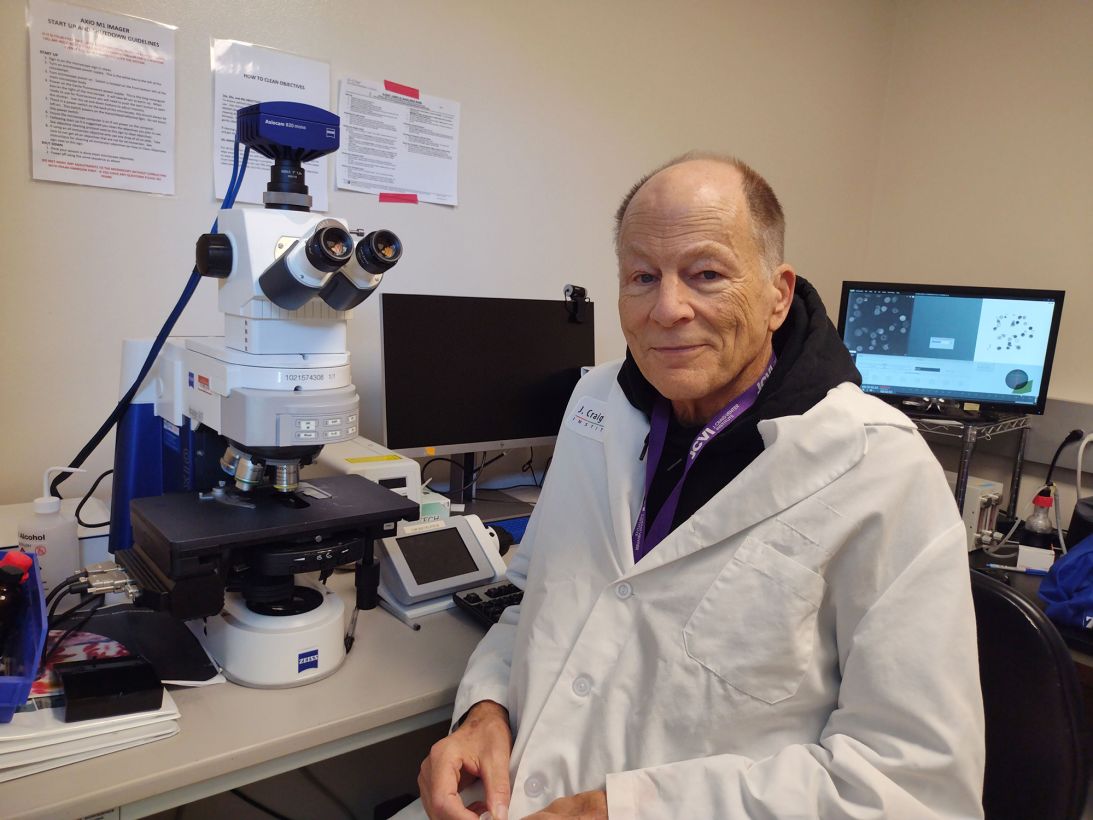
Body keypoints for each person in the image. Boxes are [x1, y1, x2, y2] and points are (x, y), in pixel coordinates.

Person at [405, 154, 985, 819]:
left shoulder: (879, 466)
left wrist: (626, 811)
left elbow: (916, 788)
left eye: (706, 274)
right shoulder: (597, 403)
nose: (667, 308)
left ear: (777, 294)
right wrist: (485, 709)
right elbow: (531, 603)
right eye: (642, 277)